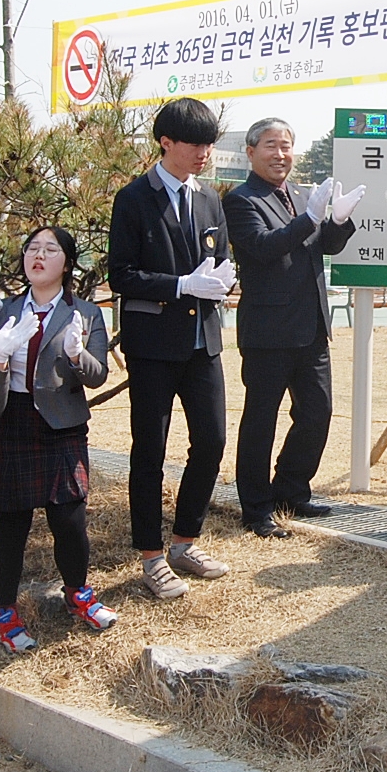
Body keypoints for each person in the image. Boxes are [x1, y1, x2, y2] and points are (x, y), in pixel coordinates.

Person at [109, 97, 240, 599]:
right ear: (166, 142)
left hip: (203, 340)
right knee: (150, 449)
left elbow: (221, 259)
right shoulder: (134, 198)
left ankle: (185, 540)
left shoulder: (208, 198)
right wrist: (182, 285)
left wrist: (219, 282)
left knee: (211, 440)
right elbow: (121, 274)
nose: (205, 151)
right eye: (195, 143)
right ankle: (150, 554)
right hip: (153, 345)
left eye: (210, 142)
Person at [0, 227, 116, 653]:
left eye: (50, 250)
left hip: (61, 426)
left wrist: (76, 354)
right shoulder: (4, 310)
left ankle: (78, 594)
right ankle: (5, 612)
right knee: (11, 526)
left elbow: (98, 375)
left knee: (70, 521)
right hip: (9, 421)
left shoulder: (85, 313)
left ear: (66, 263)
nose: (38, 256)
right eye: (32, 248)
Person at [224, 118, 364, 538]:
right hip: (268, 331)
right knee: (260, 420)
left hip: (312, 326)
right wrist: (310, 218)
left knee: (317, 411)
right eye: (271, 146)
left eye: (286, 146)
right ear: (251, 152)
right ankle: (256, 509)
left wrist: (337, 221)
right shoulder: (241, 200)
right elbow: (265, 248)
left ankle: (291, 490)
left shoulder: (305, 195)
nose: (280, 154)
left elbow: (326, 247)